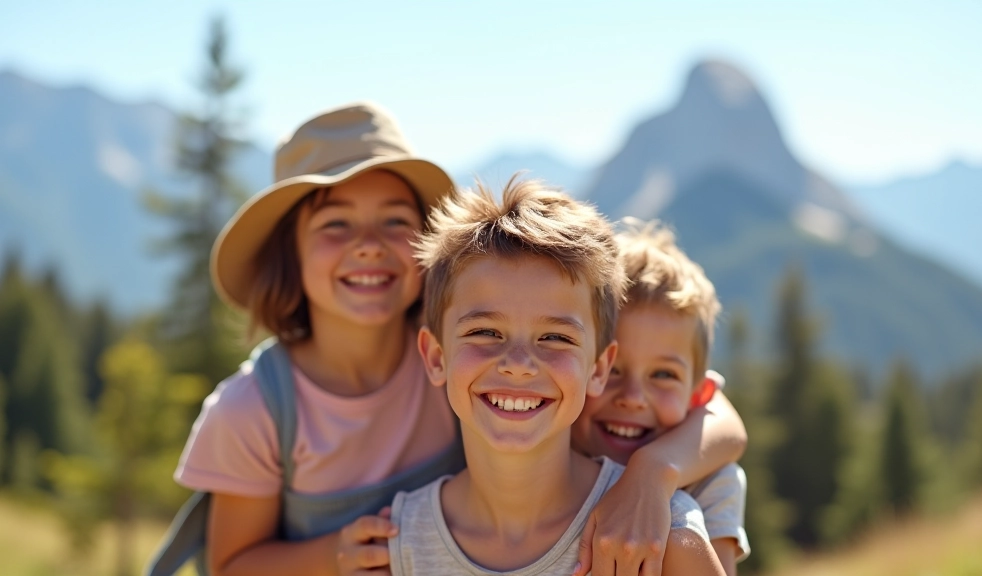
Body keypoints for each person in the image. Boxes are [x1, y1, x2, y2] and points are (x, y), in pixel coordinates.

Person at [155, 103, 744, 576]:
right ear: (435, 356)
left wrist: (653, 475)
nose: (516, 362)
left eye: (394, 221)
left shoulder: (471, 355)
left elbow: (708, 408)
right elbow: (228, 564)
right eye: (336, 223)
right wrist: (335, 558)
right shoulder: (255, 410)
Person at [388, 179, 726, 575]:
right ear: (435, 356)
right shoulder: (400, 538)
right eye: (485, 332)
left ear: (598, 368)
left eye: (554, 337)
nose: (519, 363)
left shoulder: (661, 533)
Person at [571, 219, 750, 576]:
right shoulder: (540, 452)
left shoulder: (711, 482)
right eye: (613, 370)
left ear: (698, 395)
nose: (634, 398)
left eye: (663, 375)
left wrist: (653, 474)